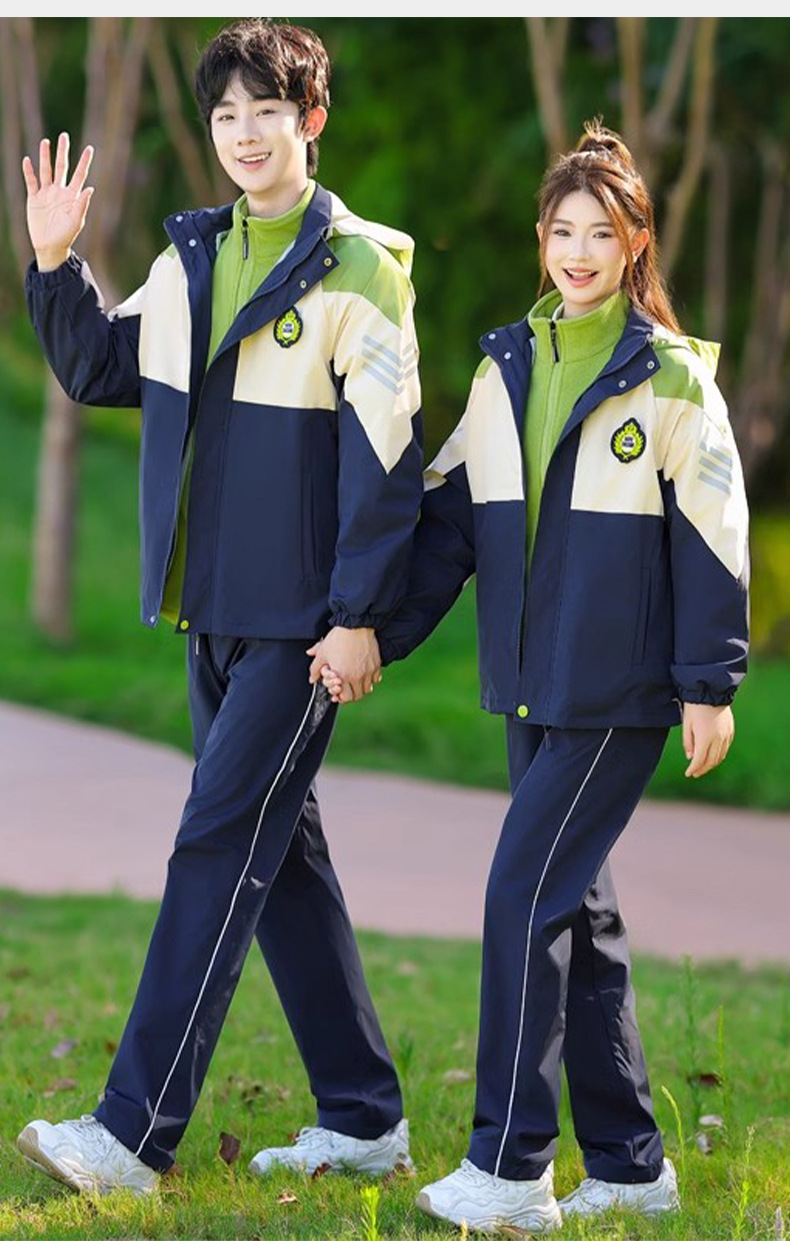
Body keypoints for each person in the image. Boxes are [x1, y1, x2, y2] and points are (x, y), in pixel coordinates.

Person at [17, 19, 422, 1196]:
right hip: (211, 614)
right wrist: (56, 262)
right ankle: (364, 1117)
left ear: (311, 119)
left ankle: (131, 1134)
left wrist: (358, 615)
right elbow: (101, 368)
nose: (245, 133)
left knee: (214, 842)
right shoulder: (192, 258)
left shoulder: (361, 271)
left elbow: (387, 465)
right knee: (279, 858)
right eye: (227, 114)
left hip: (303, 627)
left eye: (267, 110)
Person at [323, 121, 749, 1232]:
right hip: (531, 685)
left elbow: (715, 539)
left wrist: (709, 682)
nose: (577, 252)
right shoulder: (504, 366)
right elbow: (450, 527)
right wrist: (371, 629)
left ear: (635, 243)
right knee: (578, 914)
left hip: (620, 691)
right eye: (561, 230)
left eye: (599, 233)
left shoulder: (671, 379)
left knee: (523, 894)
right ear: (540, 239)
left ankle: (510, 1169)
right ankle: (630, 1164)